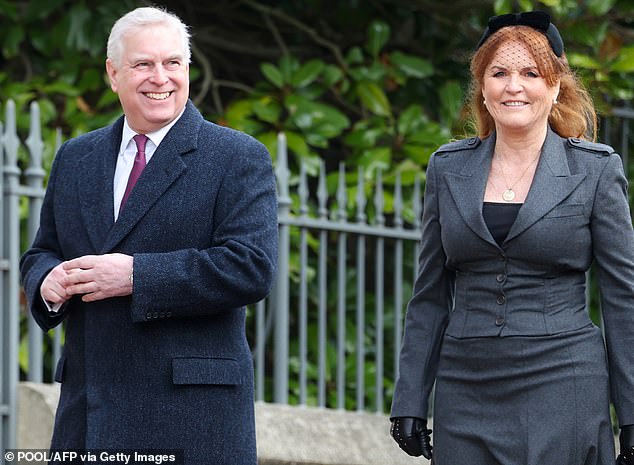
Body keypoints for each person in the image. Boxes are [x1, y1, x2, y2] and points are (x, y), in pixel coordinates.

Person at [20, 7, 277, 465]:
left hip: (190, 421)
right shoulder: (75, 158)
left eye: (173, 63)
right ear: (113, 74)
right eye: (143, 64)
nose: (161, 77)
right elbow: (44, 250)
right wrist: (45, 282)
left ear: (188, 70)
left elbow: (250, 267)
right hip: (88, 414)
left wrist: (138, 275)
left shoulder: (237, 157)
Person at [389, 10, 634, 465]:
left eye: (530, 73)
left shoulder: (596, 170)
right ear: (482, 87)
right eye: (498, 73)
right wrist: (409, 399)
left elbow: (623, 298)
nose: (513, 85)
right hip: (466, 385)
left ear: (555, 85)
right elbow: (429, 293)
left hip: (563, 381)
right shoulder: (448, 168)